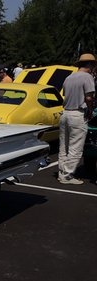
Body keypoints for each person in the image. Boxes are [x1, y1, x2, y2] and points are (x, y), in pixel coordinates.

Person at [57, 53, 96, 185]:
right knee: (75, 148)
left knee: (64, 146)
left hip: (65, 113)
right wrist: (90, 110)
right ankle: (67, 176)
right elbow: (89, 97)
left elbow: (65, 94)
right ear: (90, 65)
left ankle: (62, 172)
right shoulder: (87, 77)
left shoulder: (69, 77)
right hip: (77, 114)